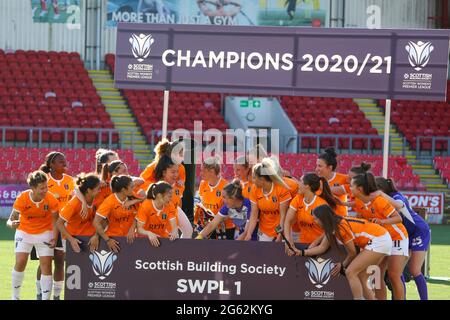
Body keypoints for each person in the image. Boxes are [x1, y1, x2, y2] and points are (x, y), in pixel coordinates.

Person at [289, 204, 392, 300]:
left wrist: (342, 265)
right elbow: (322, 248)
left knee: (350, 272)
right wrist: (301, 252)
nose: (315, 221)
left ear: (323, 218)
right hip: (380, 238)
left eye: (316, 218)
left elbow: (352, 253)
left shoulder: (340, 227)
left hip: (379, 239)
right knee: (360, 276)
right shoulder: (333, 226)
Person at [350, 172, 409, 300]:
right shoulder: (359, 202)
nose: (349, 188)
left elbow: (398, 218)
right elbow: (361, 218)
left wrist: (382, 222)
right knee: (376, 276)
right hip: (381, 240)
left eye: (351, 186)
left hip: (397, 238)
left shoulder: (379, 201)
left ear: (360, 189)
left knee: (393, 276)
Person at [374, 177, 431, 300]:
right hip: (403, 234)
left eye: (374, 189)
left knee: (414, 270)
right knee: (396, 272)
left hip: (418, 231)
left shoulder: (396, 196)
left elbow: (400, 205)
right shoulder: (380, 199)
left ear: (381, 189)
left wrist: (381, 195)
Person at [7, 171, 59, 300]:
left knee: (46, 265)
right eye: (42, 188)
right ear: (33, 188)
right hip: (24, 232)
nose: (45, 190)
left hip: (45, 233)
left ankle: (45, 298)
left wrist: (54, 237)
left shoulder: (51, 198)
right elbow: (10, 220)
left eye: (46, 187)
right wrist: (11, 224)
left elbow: (55, 220)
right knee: (20, 262)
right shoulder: (23, 198)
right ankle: (15, 296)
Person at [35, 151, 74, 300]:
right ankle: (40, 293)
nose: (64, 163)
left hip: (64, 227)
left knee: (59, 261)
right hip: (46, 227)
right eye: (60, 161)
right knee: (45, 262)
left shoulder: (70, 181)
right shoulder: (44, 181)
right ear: (51, 164)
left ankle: (56, 295)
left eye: (65, 161)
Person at [284, 173, 338, 248]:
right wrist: (288, 240)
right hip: (303, 243)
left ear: (307, 186)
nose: (298, 184)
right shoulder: (298, 198)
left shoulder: (321, 204)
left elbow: (330, 229)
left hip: (321, 245)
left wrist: (315, 243)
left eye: (300, 181)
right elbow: (288, 221)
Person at [245, 158, 291, 242]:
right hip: (264, 231)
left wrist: (280, 234)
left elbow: (283, 216)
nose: (252, 181)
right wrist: (249, 234)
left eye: (254, 178)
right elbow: (254, 214)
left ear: (262, 179)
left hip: (281, 229)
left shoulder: (281, 189)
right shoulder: (254, 189)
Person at [56, 174, 102, 254]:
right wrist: (71, 240)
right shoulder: (74, 204)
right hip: (74, 240)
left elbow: (102, 220)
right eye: (98, 189)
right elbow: (59, 223)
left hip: (90, 239)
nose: (100, 191)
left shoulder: (97, 199)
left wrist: (96, 235)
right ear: (89, 190)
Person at [93, 175, 139, 253]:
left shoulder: (132, 195)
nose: (133, 189)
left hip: (130, 239)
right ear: (123, 190)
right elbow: (96, 222)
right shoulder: (109, 202)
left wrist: (132, 228)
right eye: (131, 187)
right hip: (114, 240)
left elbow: (145, 201)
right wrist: (107, 240)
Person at [154, 155, 193, 238]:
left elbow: (179, 201)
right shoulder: (158, 187)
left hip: (175, 210)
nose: (176, 175)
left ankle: (181, 250)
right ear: (164, 172)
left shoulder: (178, 186)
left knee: (188, 230)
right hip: (162, 215)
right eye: (172, 172)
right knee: (172, 236)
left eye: (177, 171)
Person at [194, 156, 233, 239]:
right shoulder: (203, 184)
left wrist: (216, 220)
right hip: (208, 228)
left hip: (225, 229)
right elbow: (201, 205)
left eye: (203, 171)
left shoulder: (226, 186)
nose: (200, 173)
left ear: (211, 171)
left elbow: (232, 211)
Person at [136, 181, 178, 247]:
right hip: (145, 238)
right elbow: (139, 229)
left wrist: (174, 232)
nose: (171, 199)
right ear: (159, 195)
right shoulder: (146, 206)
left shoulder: (170, 205)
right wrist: (149, 233)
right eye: (169, 196)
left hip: (161, 237)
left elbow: (174, 226)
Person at [315, 147, 348, 216]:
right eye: (316, 165)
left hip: (340, 220)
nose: (316, 169)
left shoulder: (344, 179)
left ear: (330, 167)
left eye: (320, 166)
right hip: (321, 220)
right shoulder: (315, 180)